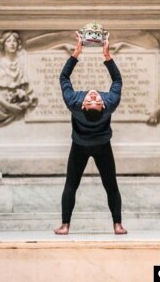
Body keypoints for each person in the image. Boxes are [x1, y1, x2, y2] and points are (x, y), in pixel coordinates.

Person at [54, 28, 127, 235]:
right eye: (94, 100)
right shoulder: (109, 102)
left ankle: (65, 225)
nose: (93, 96)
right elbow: (118, 81)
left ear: (83, 106)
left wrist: (76, 53)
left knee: (74, 184)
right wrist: (107, 56)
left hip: (81, 145)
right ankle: (117, 225)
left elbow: (64, 77)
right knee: (108, 185)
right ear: (103, 106)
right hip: (101, 146)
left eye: (91, 100)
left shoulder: (74, 102)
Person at [0, 30, 37, 131]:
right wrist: (9, 106)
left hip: (14, 102)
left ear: (18, 44)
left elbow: (29, 91)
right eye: (8, 41)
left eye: (14, 41)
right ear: (3, 44)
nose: (12, 44)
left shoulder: (22, 64)